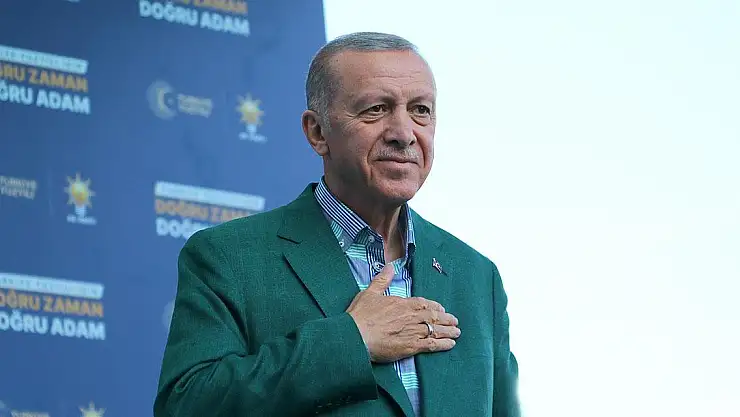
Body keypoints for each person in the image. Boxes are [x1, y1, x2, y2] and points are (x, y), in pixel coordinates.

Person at [153, 31, 520, 417]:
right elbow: (186, 406)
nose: (404, 134)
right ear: (317, 132)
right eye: (376, 109)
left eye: (421, 110)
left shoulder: (477, 276)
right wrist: (353, 341)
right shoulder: (228, 256)